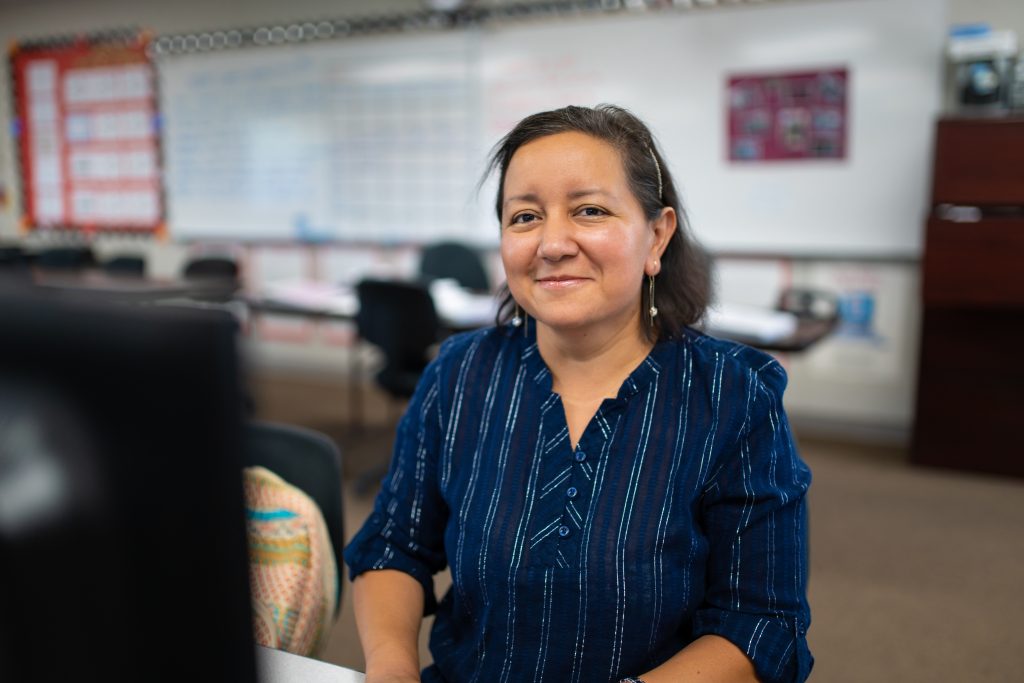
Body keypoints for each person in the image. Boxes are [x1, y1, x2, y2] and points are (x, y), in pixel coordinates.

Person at [344, 104, 812, 683]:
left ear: (656, 236)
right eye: (524, 217)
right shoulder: (461, 375)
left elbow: (761, 623)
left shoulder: (734, 396)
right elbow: (393, 546)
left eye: (590, 210)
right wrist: (391, 666)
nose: (552, 243)